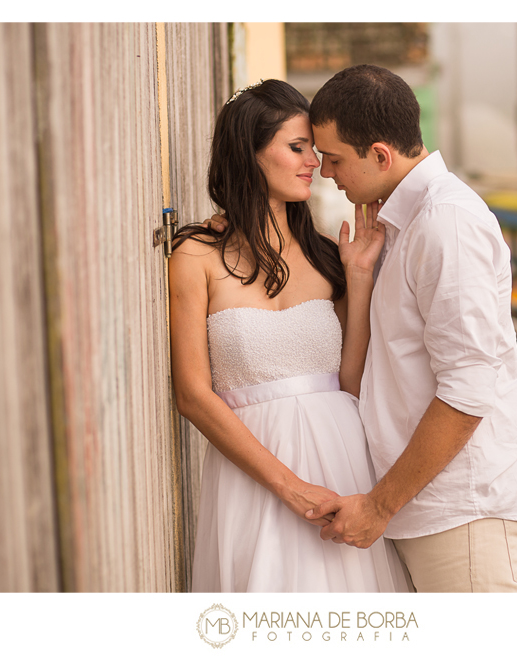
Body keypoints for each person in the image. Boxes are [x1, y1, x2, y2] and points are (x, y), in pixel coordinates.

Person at [300, 64, 517, 593]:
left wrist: (378, 505)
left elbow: (469, 389)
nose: (325, 172)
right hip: (428, 511)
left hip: (462, 513)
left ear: (380, 155)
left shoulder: (446, 223)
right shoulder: (401, 223)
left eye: (334, 158)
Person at [168, 79, 409, 592]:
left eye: (316, 152)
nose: (315, 164)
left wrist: (360, 279)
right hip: (253, 473)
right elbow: (192, 395)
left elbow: (349, 380)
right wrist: (290, 486)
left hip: (341, 461)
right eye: (298, 148)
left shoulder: (328, 255)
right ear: (250, 154)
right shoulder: (195, 256)